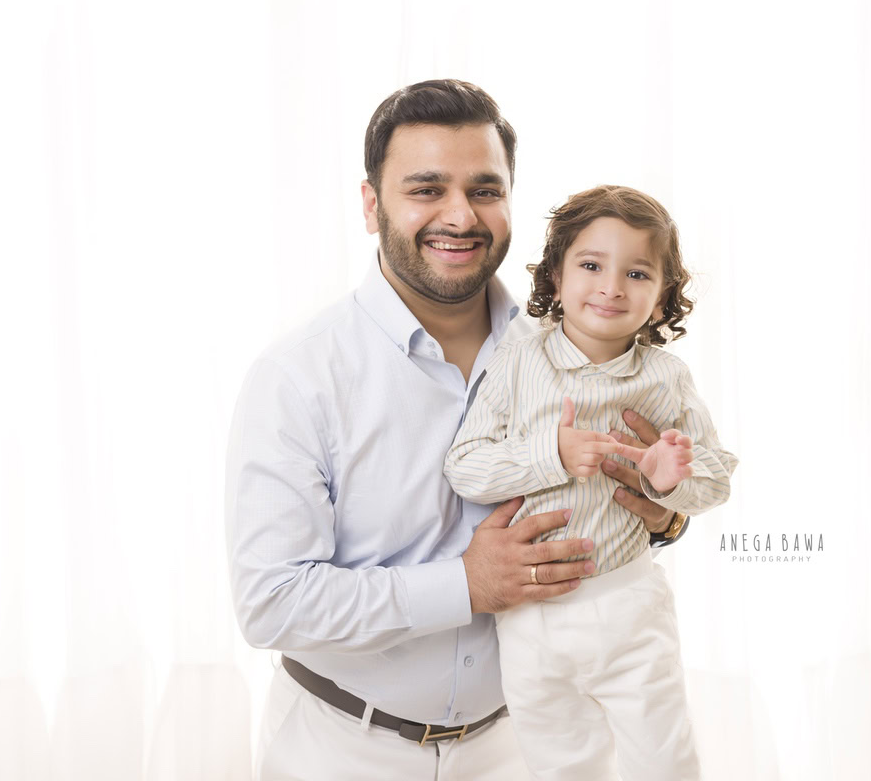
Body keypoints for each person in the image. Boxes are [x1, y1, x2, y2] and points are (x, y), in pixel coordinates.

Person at [225, 80, 692, 781]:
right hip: (341, 751)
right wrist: (466, 585)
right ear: (369, 204)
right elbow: (271, 604)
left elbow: (632, 501)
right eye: (425, 189)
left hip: (521, 748)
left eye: (484, 190)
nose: (459, 215)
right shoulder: (298, 377)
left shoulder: (574, 350)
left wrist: (663, 518)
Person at [444, 185, 739, 780]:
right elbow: (465, 465)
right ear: (555, 279)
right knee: (560, 765)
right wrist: (551, 454)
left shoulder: (665, 378)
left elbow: (716, 479)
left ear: (660, 301)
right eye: (590, 265)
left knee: (666, 760)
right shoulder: (519, 361)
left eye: (636, 273)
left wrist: (665, 482)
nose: (610, 287)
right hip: (531, 616)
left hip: (627, 604)